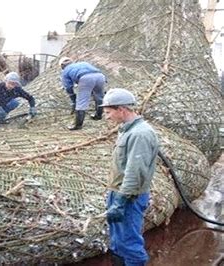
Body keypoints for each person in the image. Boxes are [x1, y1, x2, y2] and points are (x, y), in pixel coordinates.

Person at [101, 88, 159, 266]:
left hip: (129, 197)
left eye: (109, 112)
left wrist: (120, 201)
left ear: (122, 110)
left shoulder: (140, 134)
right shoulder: (127, 130)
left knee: (129, 244)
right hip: (118, 193)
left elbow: (135, 173)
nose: (107, 117)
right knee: (118, 241)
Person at [59, 56, 106, 130]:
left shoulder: (65, 71)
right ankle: (98, 115)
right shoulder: (83, 63)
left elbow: (68, 86)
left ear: (62, 66)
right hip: (100, 76)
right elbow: (94, 71)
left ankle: (78, 125)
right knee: (99, 97)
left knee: (82, 101)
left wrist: (73, 98)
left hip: (85, 78)